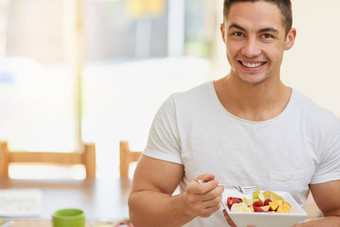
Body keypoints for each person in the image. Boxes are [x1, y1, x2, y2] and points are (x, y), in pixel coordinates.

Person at [128, 0, 340, 226]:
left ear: (289, 38)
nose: (250, 50)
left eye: (266, 35)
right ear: (223, 33)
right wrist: (185, 205)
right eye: (238, 33)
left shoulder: (321, 125)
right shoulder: (179, 111)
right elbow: (139, 212)